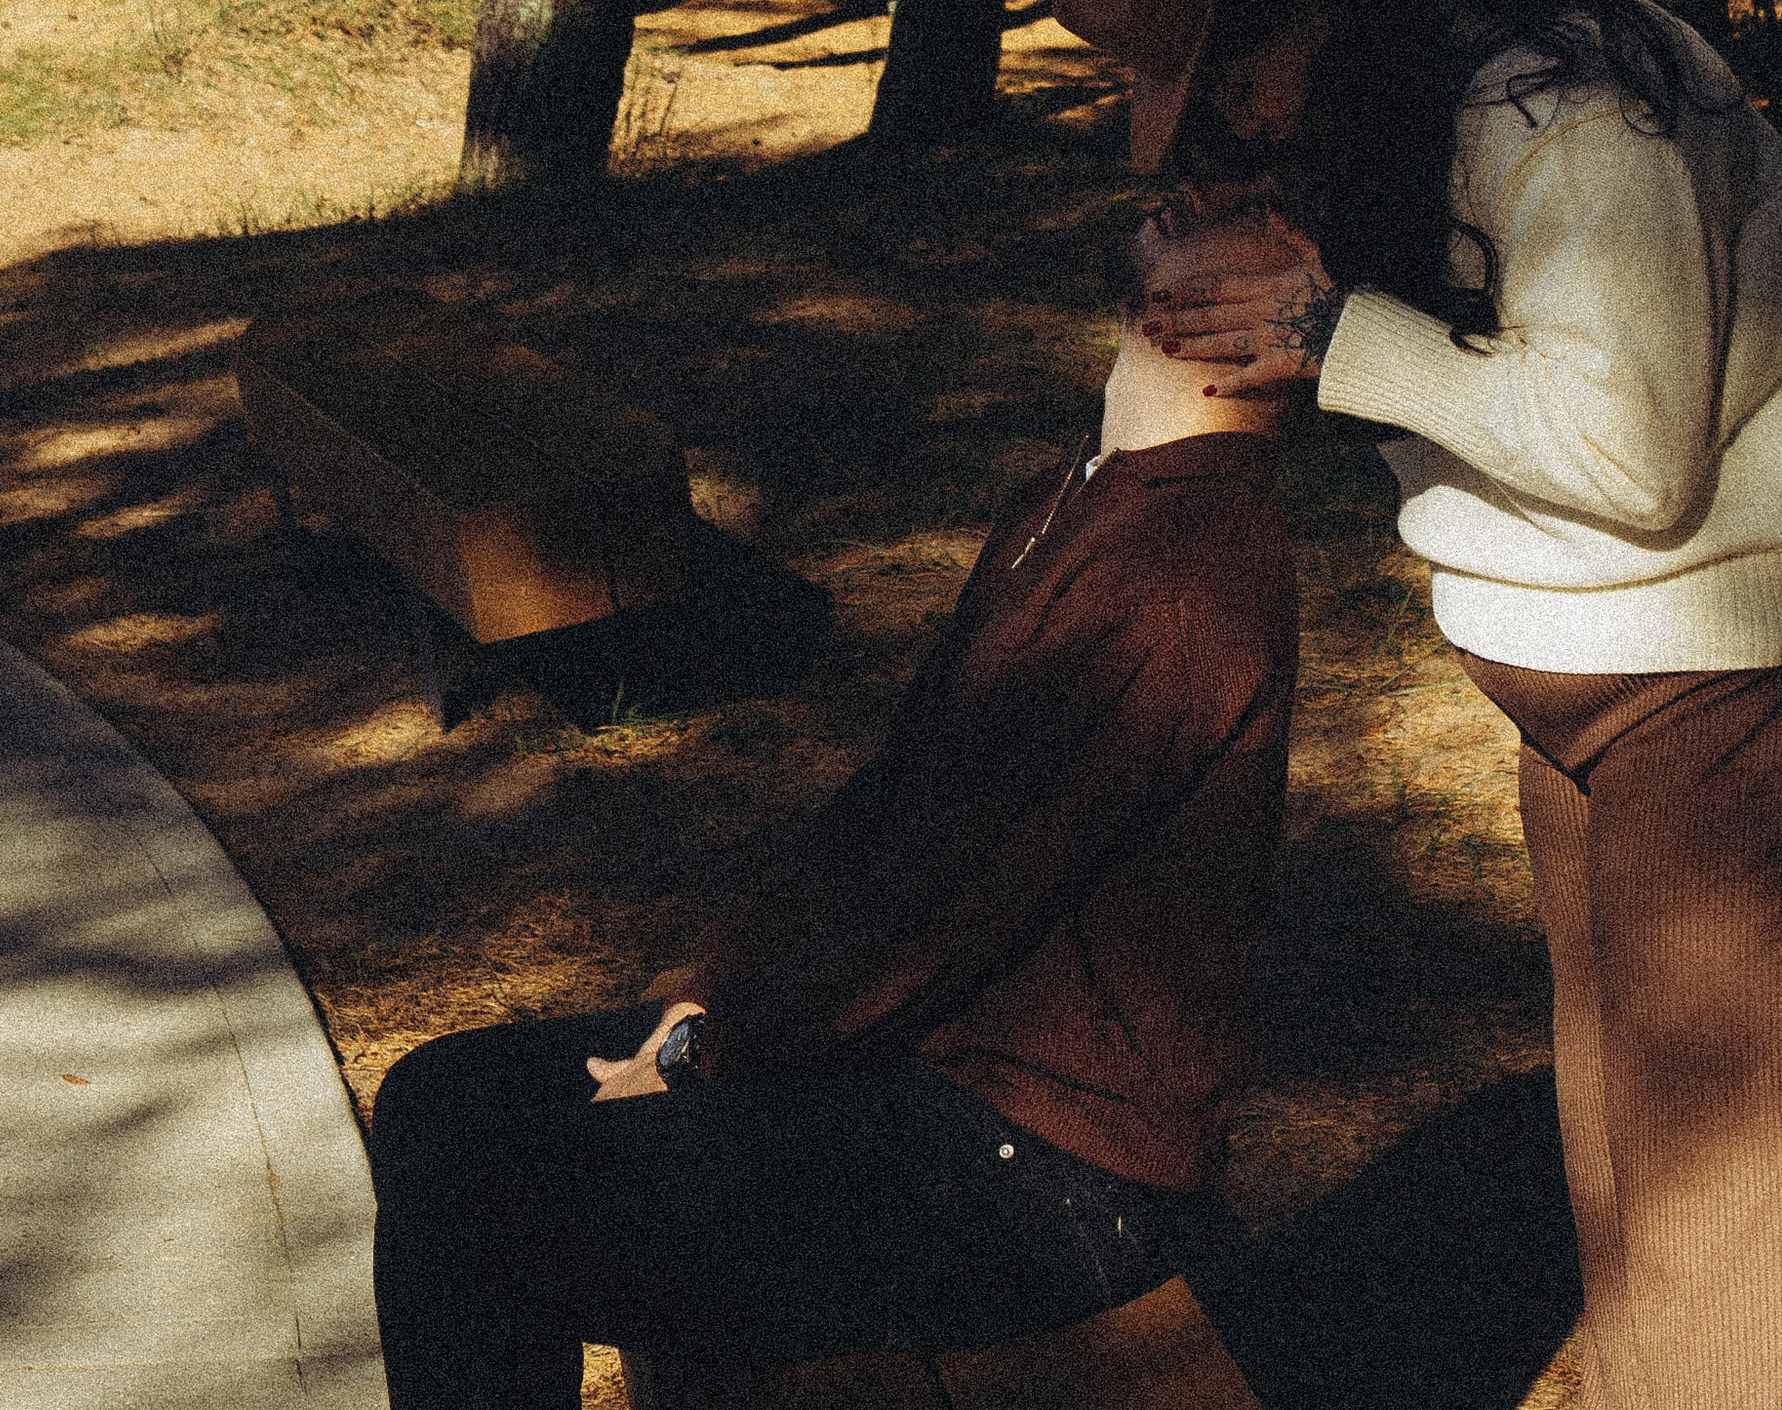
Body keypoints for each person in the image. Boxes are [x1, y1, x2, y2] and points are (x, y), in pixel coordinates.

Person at [1052, 0, 1782, 1410]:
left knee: (1739, 1223)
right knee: (1631, 1178)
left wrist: (1338, 336)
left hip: (1757, 686)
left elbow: (1629, 455)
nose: (1235, 121)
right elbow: (1480, 381)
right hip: (1595, 688)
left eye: (1232, 76)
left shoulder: (1565, 114)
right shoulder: (1394, 106)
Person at [367, 210, 1298, 1410]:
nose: (1190, 196)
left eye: (1255, 211)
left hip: (1043, 1170)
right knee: (443, 1099)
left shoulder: (1178, 569)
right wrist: (704, 1000)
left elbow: (944, 895)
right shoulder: (1086, 497)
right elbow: (892, 821)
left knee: (478, 1194)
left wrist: (706, 1050)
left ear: (1261, 329)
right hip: (930, 1067)